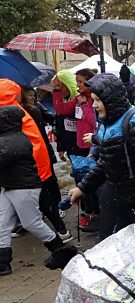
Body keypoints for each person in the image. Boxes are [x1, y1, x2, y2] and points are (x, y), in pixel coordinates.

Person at [68, 73, 135, 233]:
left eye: (98, 100)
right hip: (118, 198)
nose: (94, 105)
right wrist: (82, 188)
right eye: (93, 100)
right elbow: (106, 161)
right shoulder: (106, 124)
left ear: (110, 100)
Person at [0, 104, 77, 275]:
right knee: (2, 224)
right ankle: (3, 262)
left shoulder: (14, 141)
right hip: (10, 186)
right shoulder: (10, 138)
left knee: (31, 222)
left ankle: (61, 251)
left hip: (24, 187)